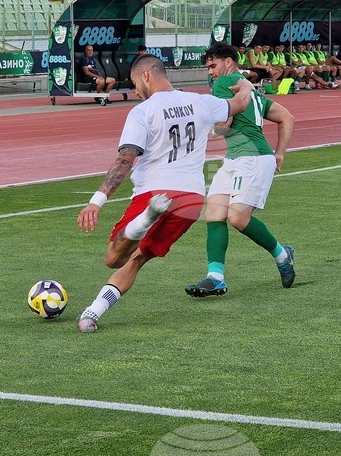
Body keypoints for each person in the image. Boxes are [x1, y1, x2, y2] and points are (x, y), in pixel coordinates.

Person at [75, 55, 255, 332]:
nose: (135, 90)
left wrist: (96, 201)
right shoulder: (200, 101)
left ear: (146, 76)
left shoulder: (143, 111)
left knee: (114, 258)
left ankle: (146, 219)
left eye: (135, 82)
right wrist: (245, 85)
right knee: (138, 258)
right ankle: (92, 313)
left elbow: (125, 160)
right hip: (192, 201)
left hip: (156, 191)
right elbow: (240, 104)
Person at [185, 44, 296, 298]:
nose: (211, 73)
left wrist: (206, 130)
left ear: (228, 62)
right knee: (214, 212)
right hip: (238, 158)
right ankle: (215, 278)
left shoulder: (224, 84)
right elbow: (287, 117)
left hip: (253, 158)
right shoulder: (250, 90)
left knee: (237, 218)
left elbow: (225, 123)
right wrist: (279, 153)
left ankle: (282, 255)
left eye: (213, 66)